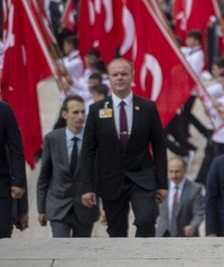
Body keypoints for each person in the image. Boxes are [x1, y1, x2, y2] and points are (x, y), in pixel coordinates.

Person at [79, 58, 167, 238]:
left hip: (142, 178)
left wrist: (162, 184)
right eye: (115, 74)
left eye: (124, 74)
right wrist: (88, 187)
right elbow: (88, 151)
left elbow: (159, 147)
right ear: (109, 78)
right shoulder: (96, 110)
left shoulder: (147, 107)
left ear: (132, 76)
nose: (120, 78)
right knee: (116, 231)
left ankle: (143, 258)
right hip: (111, 179)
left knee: (146, 219)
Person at [37, 96, 98, 238]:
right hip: (58, 206)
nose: (80, 116)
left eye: (83, 112)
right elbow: (44, 176)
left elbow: (99, 174)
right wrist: (41, 209)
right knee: (60, 247)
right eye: (75, 112)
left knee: (80, 252)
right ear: (65, 115)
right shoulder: (52, 139)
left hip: (85, 208)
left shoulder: (93, 139)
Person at [156, 156, 204, 237]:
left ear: (185, 171)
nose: (174, 175)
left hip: (186, 235)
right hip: (163, 234)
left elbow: (199, 213)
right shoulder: (161, 187)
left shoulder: (195, 189)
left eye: (177, 172)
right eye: (171, 171)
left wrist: (193, 226)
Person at [0, 100, 27, 239]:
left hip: (2, 186)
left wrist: (19, 182)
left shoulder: (4, 110)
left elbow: (16, 149)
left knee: (3, 231)